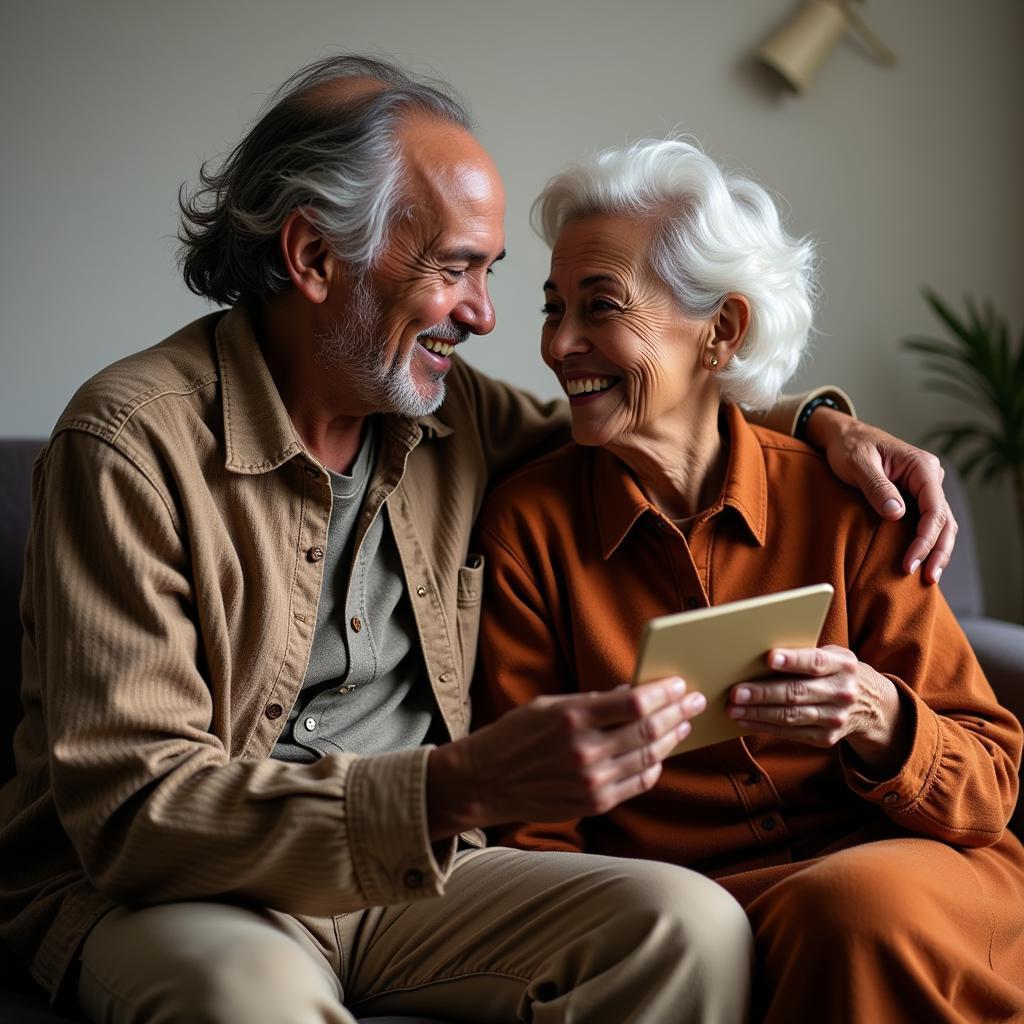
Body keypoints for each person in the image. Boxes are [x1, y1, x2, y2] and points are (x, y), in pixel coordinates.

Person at [0, 56, 956, 1024]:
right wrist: (461, 783)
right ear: (313, 257)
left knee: (685, 923)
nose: (486, 316)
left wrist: (821, 424)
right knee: (243, 999)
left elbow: (653, 418)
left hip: (418, 878)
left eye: (490, 274)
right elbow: (133, 817)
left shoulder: (460, 421)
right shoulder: (128, 440)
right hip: (188, 891)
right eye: (453, 268)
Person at [472, 137, 1024, 1023]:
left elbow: (990, 786)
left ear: (721, 331)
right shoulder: (528, 528)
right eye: (553, 307)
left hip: (911, 874)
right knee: (830, 913)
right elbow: (539, 830)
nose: (559, 343)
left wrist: (881, 718)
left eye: (600, 306)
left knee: (853, 907)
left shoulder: (846, 499)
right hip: (691, 906)